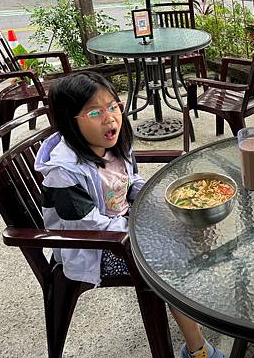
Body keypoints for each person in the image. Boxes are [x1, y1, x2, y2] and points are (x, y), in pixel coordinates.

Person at [35, 72, 226, 358]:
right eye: (95, 112)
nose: (110, 118)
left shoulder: (112, 146)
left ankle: (192, 297)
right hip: (97, 247)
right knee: (167, 264)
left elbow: (128, 181)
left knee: (193, 222)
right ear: (69, 120)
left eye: (113, 106)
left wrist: (155, 197)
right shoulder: (64, 172)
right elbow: (88, 225)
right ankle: (198, 349)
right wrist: (145, 227)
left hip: (124, 224)